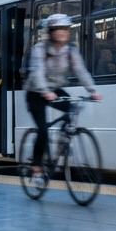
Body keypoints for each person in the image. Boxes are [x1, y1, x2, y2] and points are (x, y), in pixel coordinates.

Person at [23, 13, 101, 172]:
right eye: (57, 29)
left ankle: (60, 144)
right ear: (50, 31)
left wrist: (93, 91)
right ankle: (36, 167)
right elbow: (37, 72)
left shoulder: (71, 50)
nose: (62, 32)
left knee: (72, 109)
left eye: (65, 28)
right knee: (43, 130)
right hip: (35, 91)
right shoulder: (40, 49)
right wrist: (45, 91)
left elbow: (81, 71)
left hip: (55, 89)